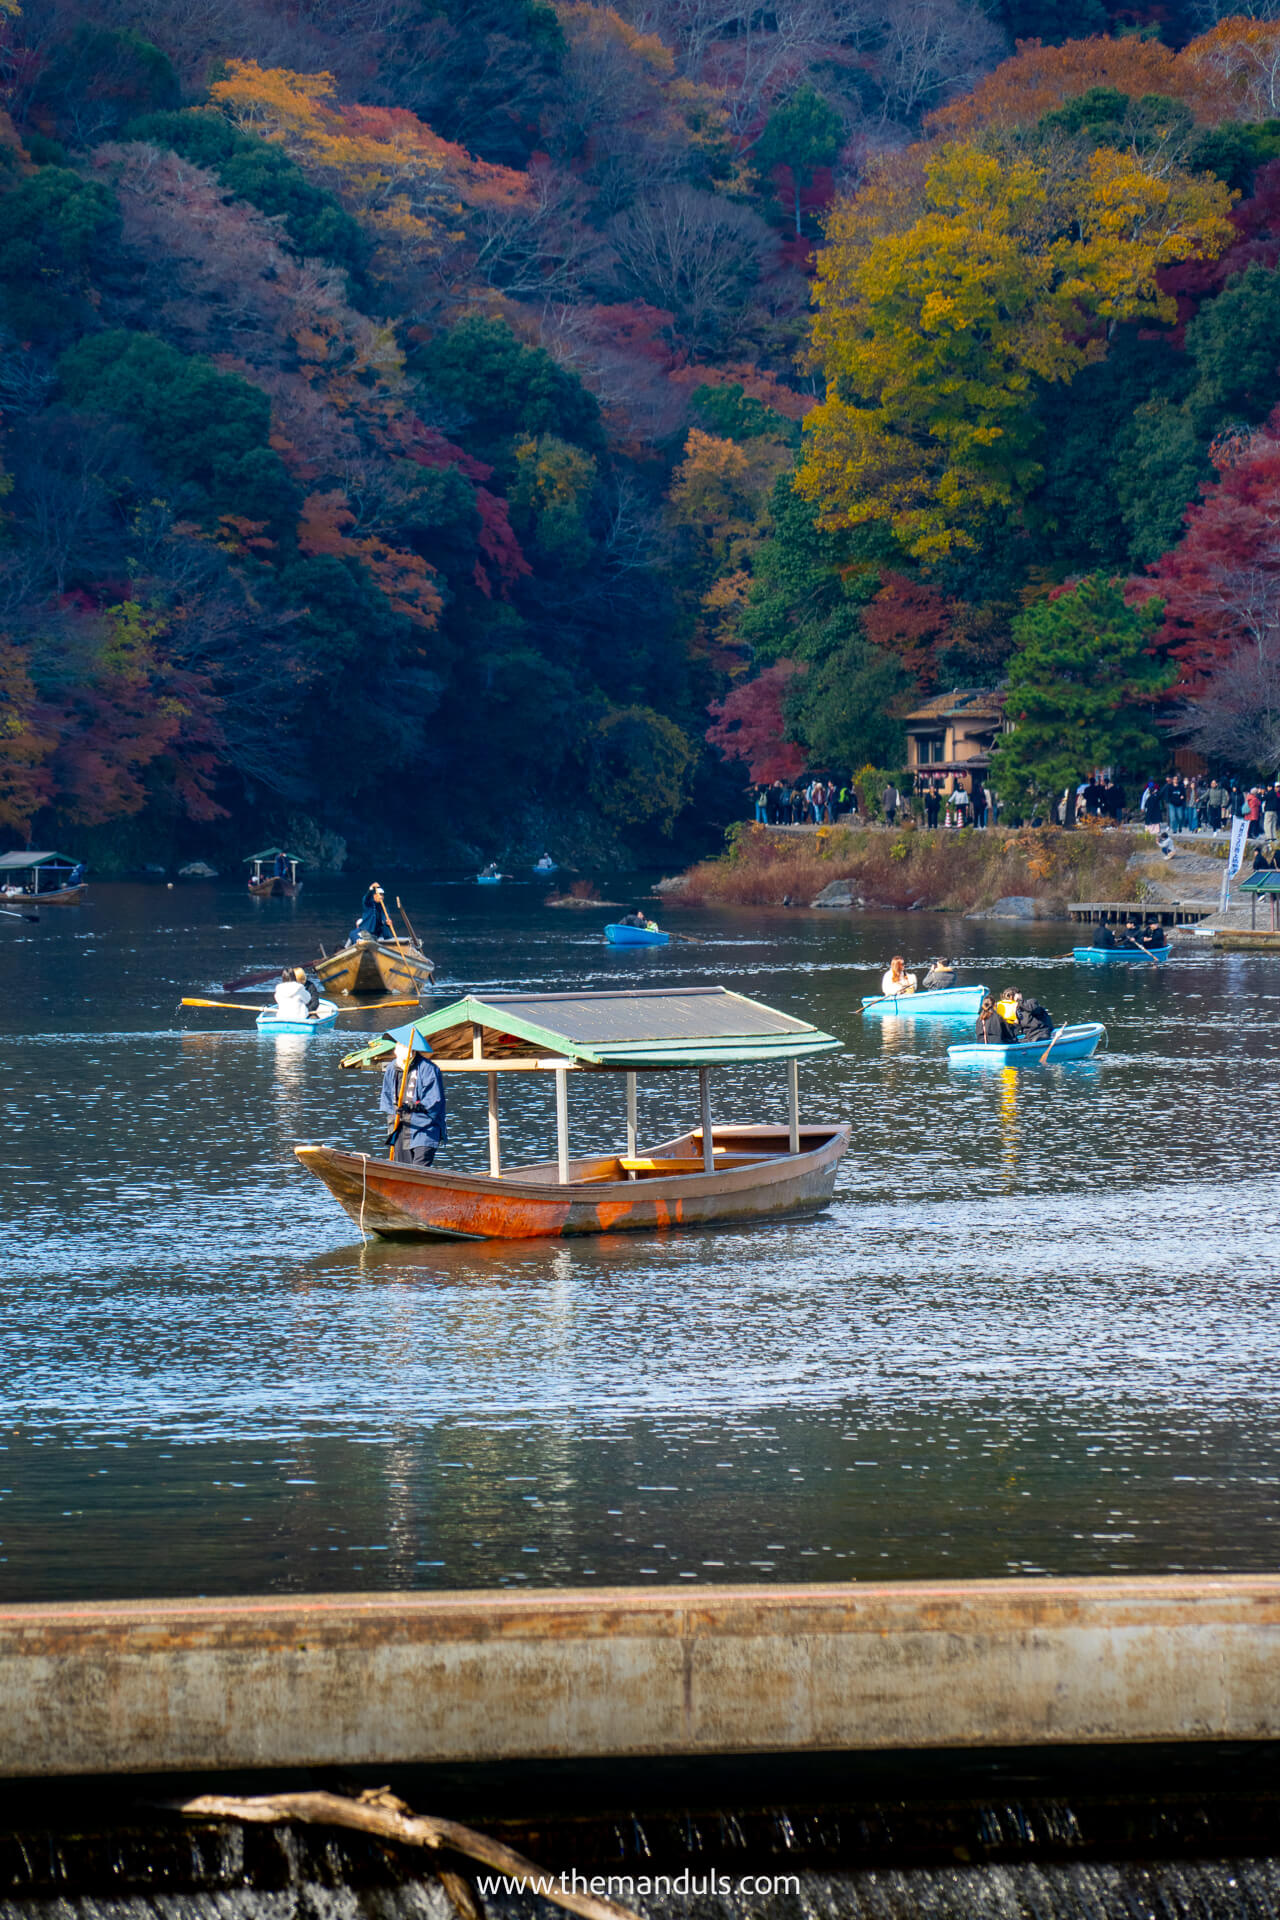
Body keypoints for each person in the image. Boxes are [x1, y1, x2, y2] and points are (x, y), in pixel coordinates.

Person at [380, 1036, 447, 1167]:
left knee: (419, 1170)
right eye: (399, 1045)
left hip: (424, 1129)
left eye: (405, 1046)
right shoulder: (392, 1068)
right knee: (401, 1170)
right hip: (400, 1127)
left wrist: (413, 1106)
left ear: (413, 1050)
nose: (401, 1049)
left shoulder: (428, 1068)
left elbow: (434, 1100)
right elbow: (387, 1097)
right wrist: (395, 1112)